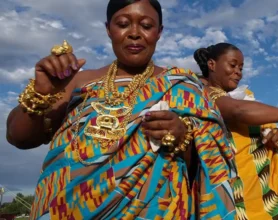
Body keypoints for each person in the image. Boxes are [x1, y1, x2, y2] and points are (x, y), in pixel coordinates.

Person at [6, 1, 236, 219]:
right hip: (66, 209)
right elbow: (19, 138)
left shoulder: (183, 87)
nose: (135, 33)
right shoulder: (78, 82)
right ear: (108, 29)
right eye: (123, 24)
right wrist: (41, 93)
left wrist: (182, 137)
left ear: (159, 32)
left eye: (146, 25)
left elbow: (210, 168)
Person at [194, 43, 278, 219]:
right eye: (233, 65)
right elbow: (239, 111)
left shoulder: (238, 97)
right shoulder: (202, 93)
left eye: (241, 67)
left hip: (261, 194)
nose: (238, 72)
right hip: (232, 195)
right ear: (212, 64)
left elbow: (258, 129)